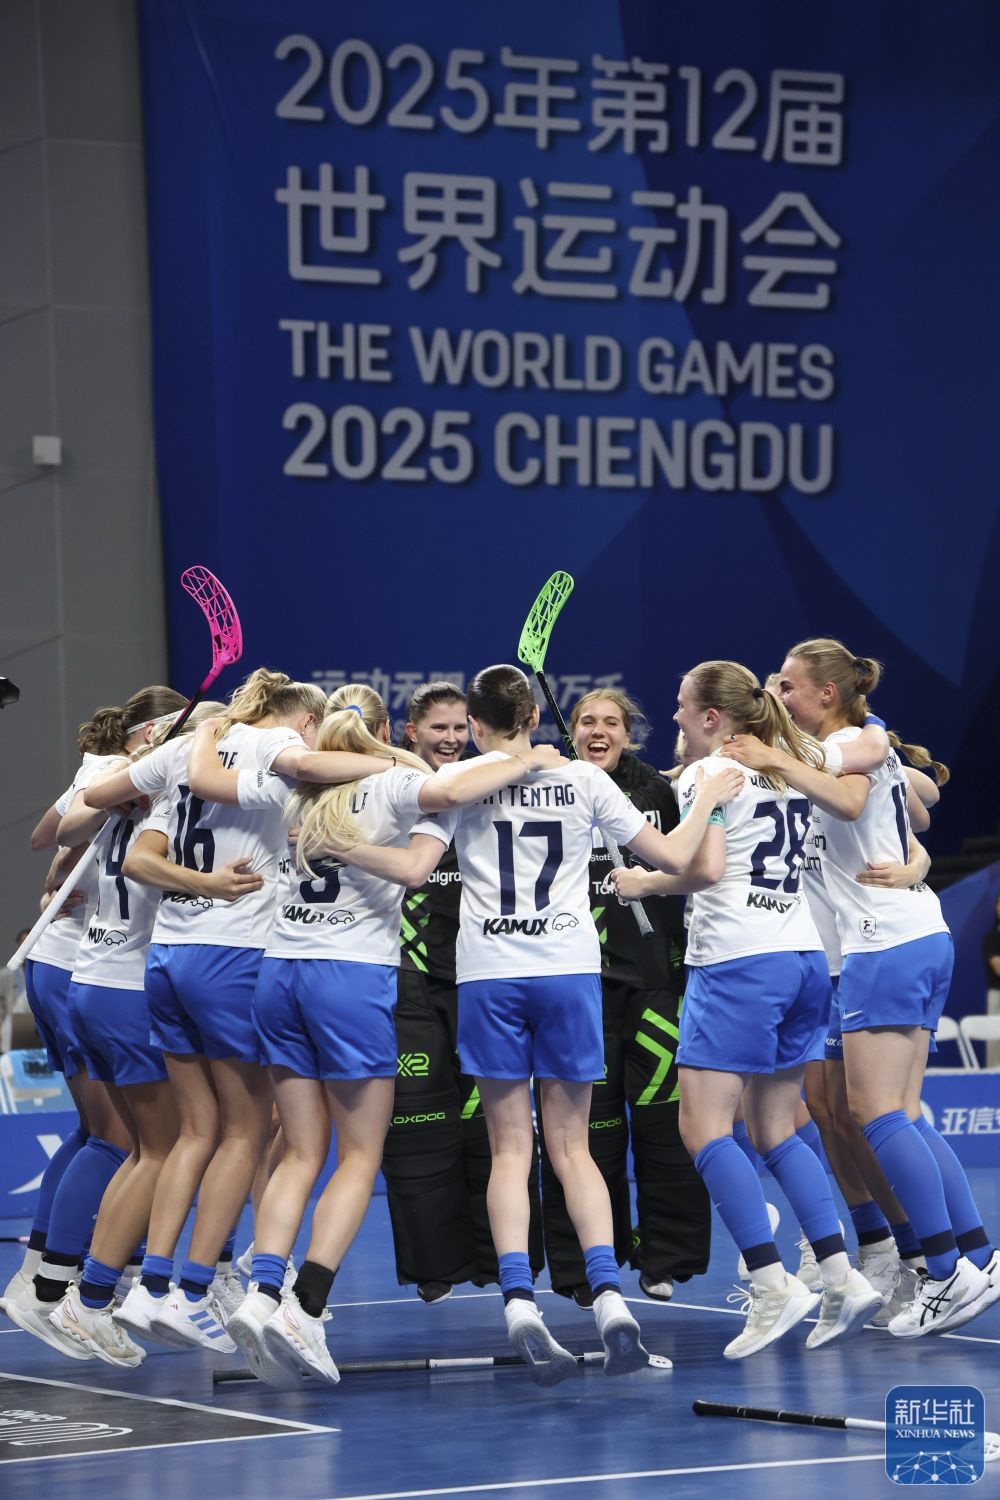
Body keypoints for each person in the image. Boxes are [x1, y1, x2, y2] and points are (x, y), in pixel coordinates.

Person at [332, 665, 742, 1384]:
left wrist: (336, 843)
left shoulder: (459, 783)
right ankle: (610, 1299)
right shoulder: (584, 780)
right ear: (532, 718)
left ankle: (520, 1303)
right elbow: (676, 858)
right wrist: (709, 793)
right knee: (574, 1149)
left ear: (477, 724)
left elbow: (412, 871)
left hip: (489, 977)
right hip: (568, 975)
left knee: (509, 1150)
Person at [185, 682, 567, 1386]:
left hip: (280, 974)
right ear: (384, 734)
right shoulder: (396, 785)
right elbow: (447, 803)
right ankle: (306, 1307)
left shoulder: (292, 788)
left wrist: (210, 729)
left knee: (300, 1151)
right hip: (350, 978)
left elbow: (204, 778)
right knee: (359, 1156)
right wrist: (527, 758)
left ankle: (263, 1292)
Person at [723, 637, 999, 1336]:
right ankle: (968, 1257)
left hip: (884, 943)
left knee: (876, 1114)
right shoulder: (825, 751)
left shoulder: (853, 742)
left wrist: (779, 756)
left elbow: (865, 784)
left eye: (789, 685)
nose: (779, 695)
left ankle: (945, 1270)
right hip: (895, 941)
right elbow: (917, 804)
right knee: (891, 1113)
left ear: (828, 692)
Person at [614, 660, 882, 1359]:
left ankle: (770, 1284)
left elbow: (703, 870)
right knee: (775, 1129)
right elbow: (871, 752)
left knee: (702, 1128)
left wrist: (643, 882)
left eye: (682, 705)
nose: (675, 715)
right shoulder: (787, 764)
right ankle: (840, 1276)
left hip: (737, 961)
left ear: (711, 717)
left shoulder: (712, 773)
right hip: (801, 959)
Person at [81, 668, 333, 1351]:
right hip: (235, 956)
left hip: (168, 957)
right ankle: (192, 1292)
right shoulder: (277, 751)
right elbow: (322, 772)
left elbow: (102, 802)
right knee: (246, 1132)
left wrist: (166, 759)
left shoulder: (187, 750)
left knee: (196, 1132)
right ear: (305, 722)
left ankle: (152, 1285)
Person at [2, 687, 187, 1337]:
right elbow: (55, 840)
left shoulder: (122, 776)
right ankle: (52, 1286)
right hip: (82, 968)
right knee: (119, 1138)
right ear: (155, 732)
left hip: (67, 966)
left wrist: (64, 877)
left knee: (98, 1132)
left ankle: (46, 1275)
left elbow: (48, 842)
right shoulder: (115, 774)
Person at [538, 689, 710, 1308]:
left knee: (665, 1125)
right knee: (587, 1132)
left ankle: (666, 1256)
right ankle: (591, 1263)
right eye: (587, 721)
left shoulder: (659, 792)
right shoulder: (550, 787)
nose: (598, 730)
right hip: (578, 984)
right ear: (572, 730)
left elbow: (695, 861)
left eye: (611, 722)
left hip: (655, 985)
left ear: (628, 733)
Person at [387, 681, 544, 1303]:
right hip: (410, 979)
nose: (451, 739)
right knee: (420, 1127)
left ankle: (504, 1261)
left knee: (494, 1130)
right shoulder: (397, 788)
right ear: (412, 732)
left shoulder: (495, 782)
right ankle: (434, 1267)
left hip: (483, 976)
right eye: (438, 729)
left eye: (460, 727)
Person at [983, 893, 1000, 1067]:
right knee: (995, 1039)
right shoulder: (992, 937)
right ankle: (993, 1073)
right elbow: (998, 967)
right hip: (997, 994)